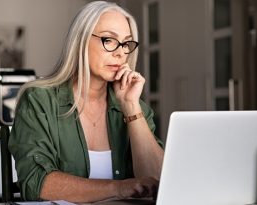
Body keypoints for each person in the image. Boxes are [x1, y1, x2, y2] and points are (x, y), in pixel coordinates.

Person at [9, 1, 164, 203]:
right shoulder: (39, 101)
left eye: (126, 43)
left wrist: (131, 108)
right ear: (81, 40)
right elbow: (37, 183)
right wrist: (118, 188)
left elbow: (161, 182)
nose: (121, 52)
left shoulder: (135, 107)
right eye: (109, 40)